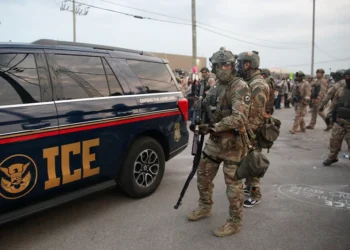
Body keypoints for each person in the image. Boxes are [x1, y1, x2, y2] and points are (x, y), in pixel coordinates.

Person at [187, 48, 251, 237]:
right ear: (213, 67)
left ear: (233, 66)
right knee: (203, 175)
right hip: (214, 143)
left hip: (233, 144)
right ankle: (205, 206)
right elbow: (206, 107)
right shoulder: (215, 87)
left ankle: (235, 222)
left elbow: (239, 118)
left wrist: (213, 127)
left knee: (233, 187)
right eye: (219, 65)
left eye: (227, 64)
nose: (223, 68)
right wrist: (197, 114)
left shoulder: (239, 86)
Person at [236, 51, 269, 208]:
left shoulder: (257, 85)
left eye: (241, 63)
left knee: (253, 162)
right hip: (248, 131)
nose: (239, 66)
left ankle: (256, 194)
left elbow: (255, 116)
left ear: (247, 64)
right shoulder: (249, 81)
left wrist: (246, 134)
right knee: (247, 161)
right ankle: (249, 189)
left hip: (252, 132)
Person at [322, 68, 350, 166]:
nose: (348, 79)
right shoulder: (341, 90)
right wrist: (329, 116)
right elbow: (334, 104)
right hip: (339, 121)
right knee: (334, 141)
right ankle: (332, 157)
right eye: (346, 77)